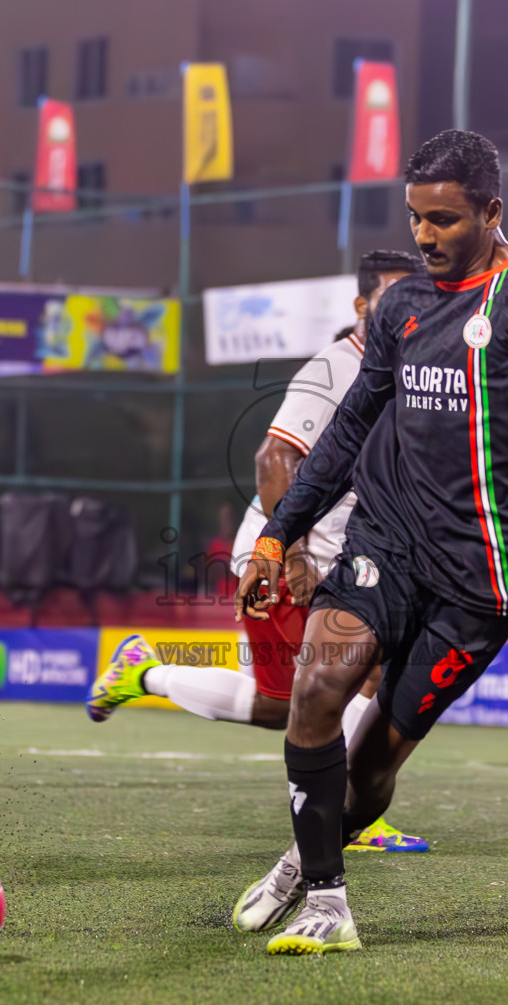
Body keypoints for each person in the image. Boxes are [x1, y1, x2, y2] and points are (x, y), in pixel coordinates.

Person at [232, 130, 508, 955]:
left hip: (482, 581)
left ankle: (305, 851)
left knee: (378, 759)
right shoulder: (401, 307)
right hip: (385, 541)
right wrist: (279, 534)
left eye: (446, 220)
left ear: (492, 212)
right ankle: (326, 895)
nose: (425, 237)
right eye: (417, 218)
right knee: (317, 690)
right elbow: (349, 430)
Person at [87, 250, 432, 853]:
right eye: (392, 297)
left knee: (370, 677)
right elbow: (273, 460)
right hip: (282, 559)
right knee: (285, 705)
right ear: (361, 307)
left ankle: (357, 814)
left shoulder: (398, 373)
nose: (407, 309)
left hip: (343, 561)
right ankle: (146, 669)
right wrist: (291, 552)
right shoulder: (334, 368)